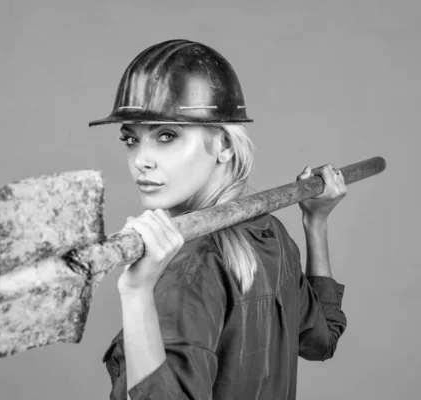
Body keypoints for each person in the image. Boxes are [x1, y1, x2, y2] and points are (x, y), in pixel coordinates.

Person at [89, 39, 348, 400]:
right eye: (131, 139)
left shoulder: (187, 271)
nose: (141, 160)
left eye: (166, 136)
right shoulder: (270, 235)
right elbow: (323, 339)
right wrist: (315, 224)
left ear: (224, 144)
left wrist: (137, 292)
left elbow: (321, 341)